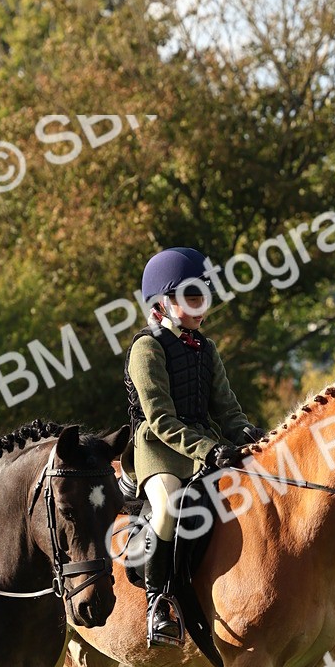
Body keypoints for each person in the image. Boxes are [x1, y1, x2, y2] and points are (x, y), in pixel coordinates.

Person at [122, 246, 264, 644]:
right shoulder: (146, 348)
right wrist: (208, 450)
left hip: (203, 445)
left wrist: (246, 434)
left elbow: (227, 408)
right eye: (191, 296)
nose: (201, 305)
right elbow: (160, 419)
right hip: (158, 449)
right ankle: (157, 602)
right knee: (168, 506)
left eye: (204, 295)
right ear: (161, 304)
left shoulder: (206, 349)